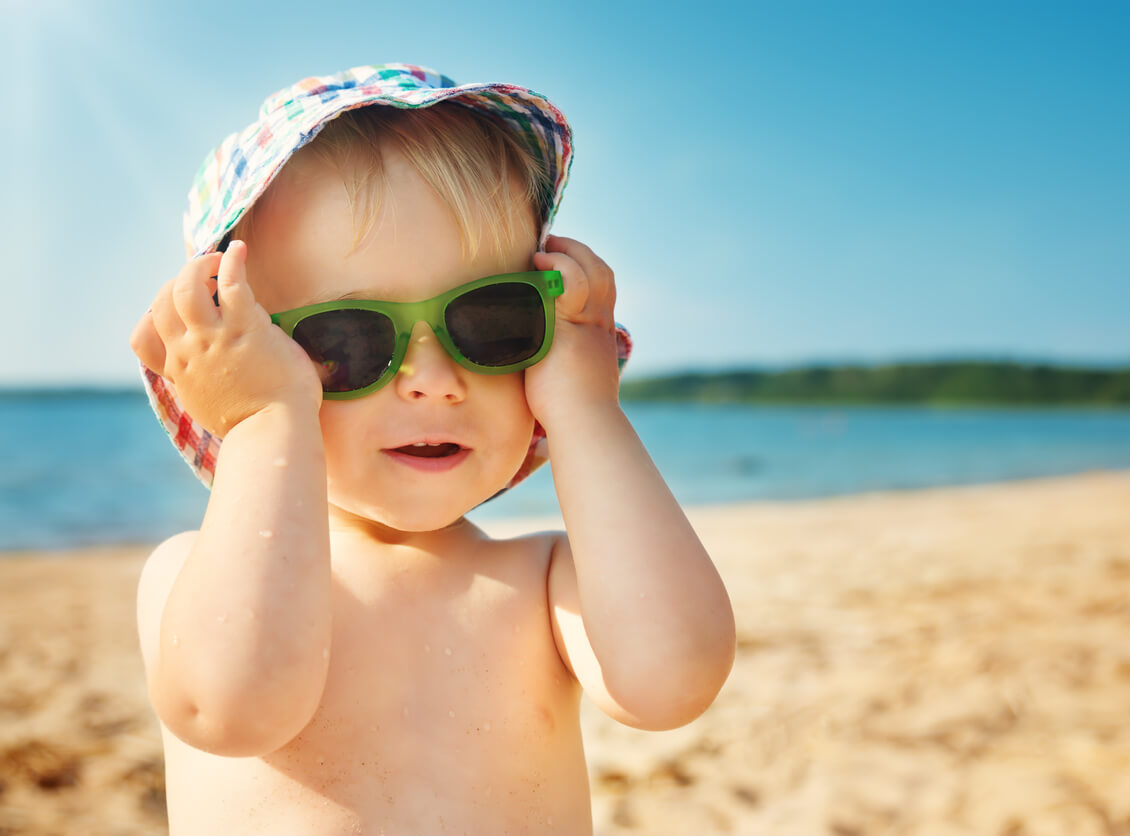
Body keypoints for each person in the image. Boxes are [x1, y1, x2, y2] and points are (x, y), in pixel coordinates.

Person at [128, 63, 735, 833]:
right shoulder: (191, 571)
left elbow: (673, 681)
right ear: (240, 370)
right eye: (344, 339)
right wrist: (265, 421)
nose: (435, 382)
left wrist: (586, 409)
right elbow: (230, 708)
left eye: (491, 320)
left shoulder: (545, 581)